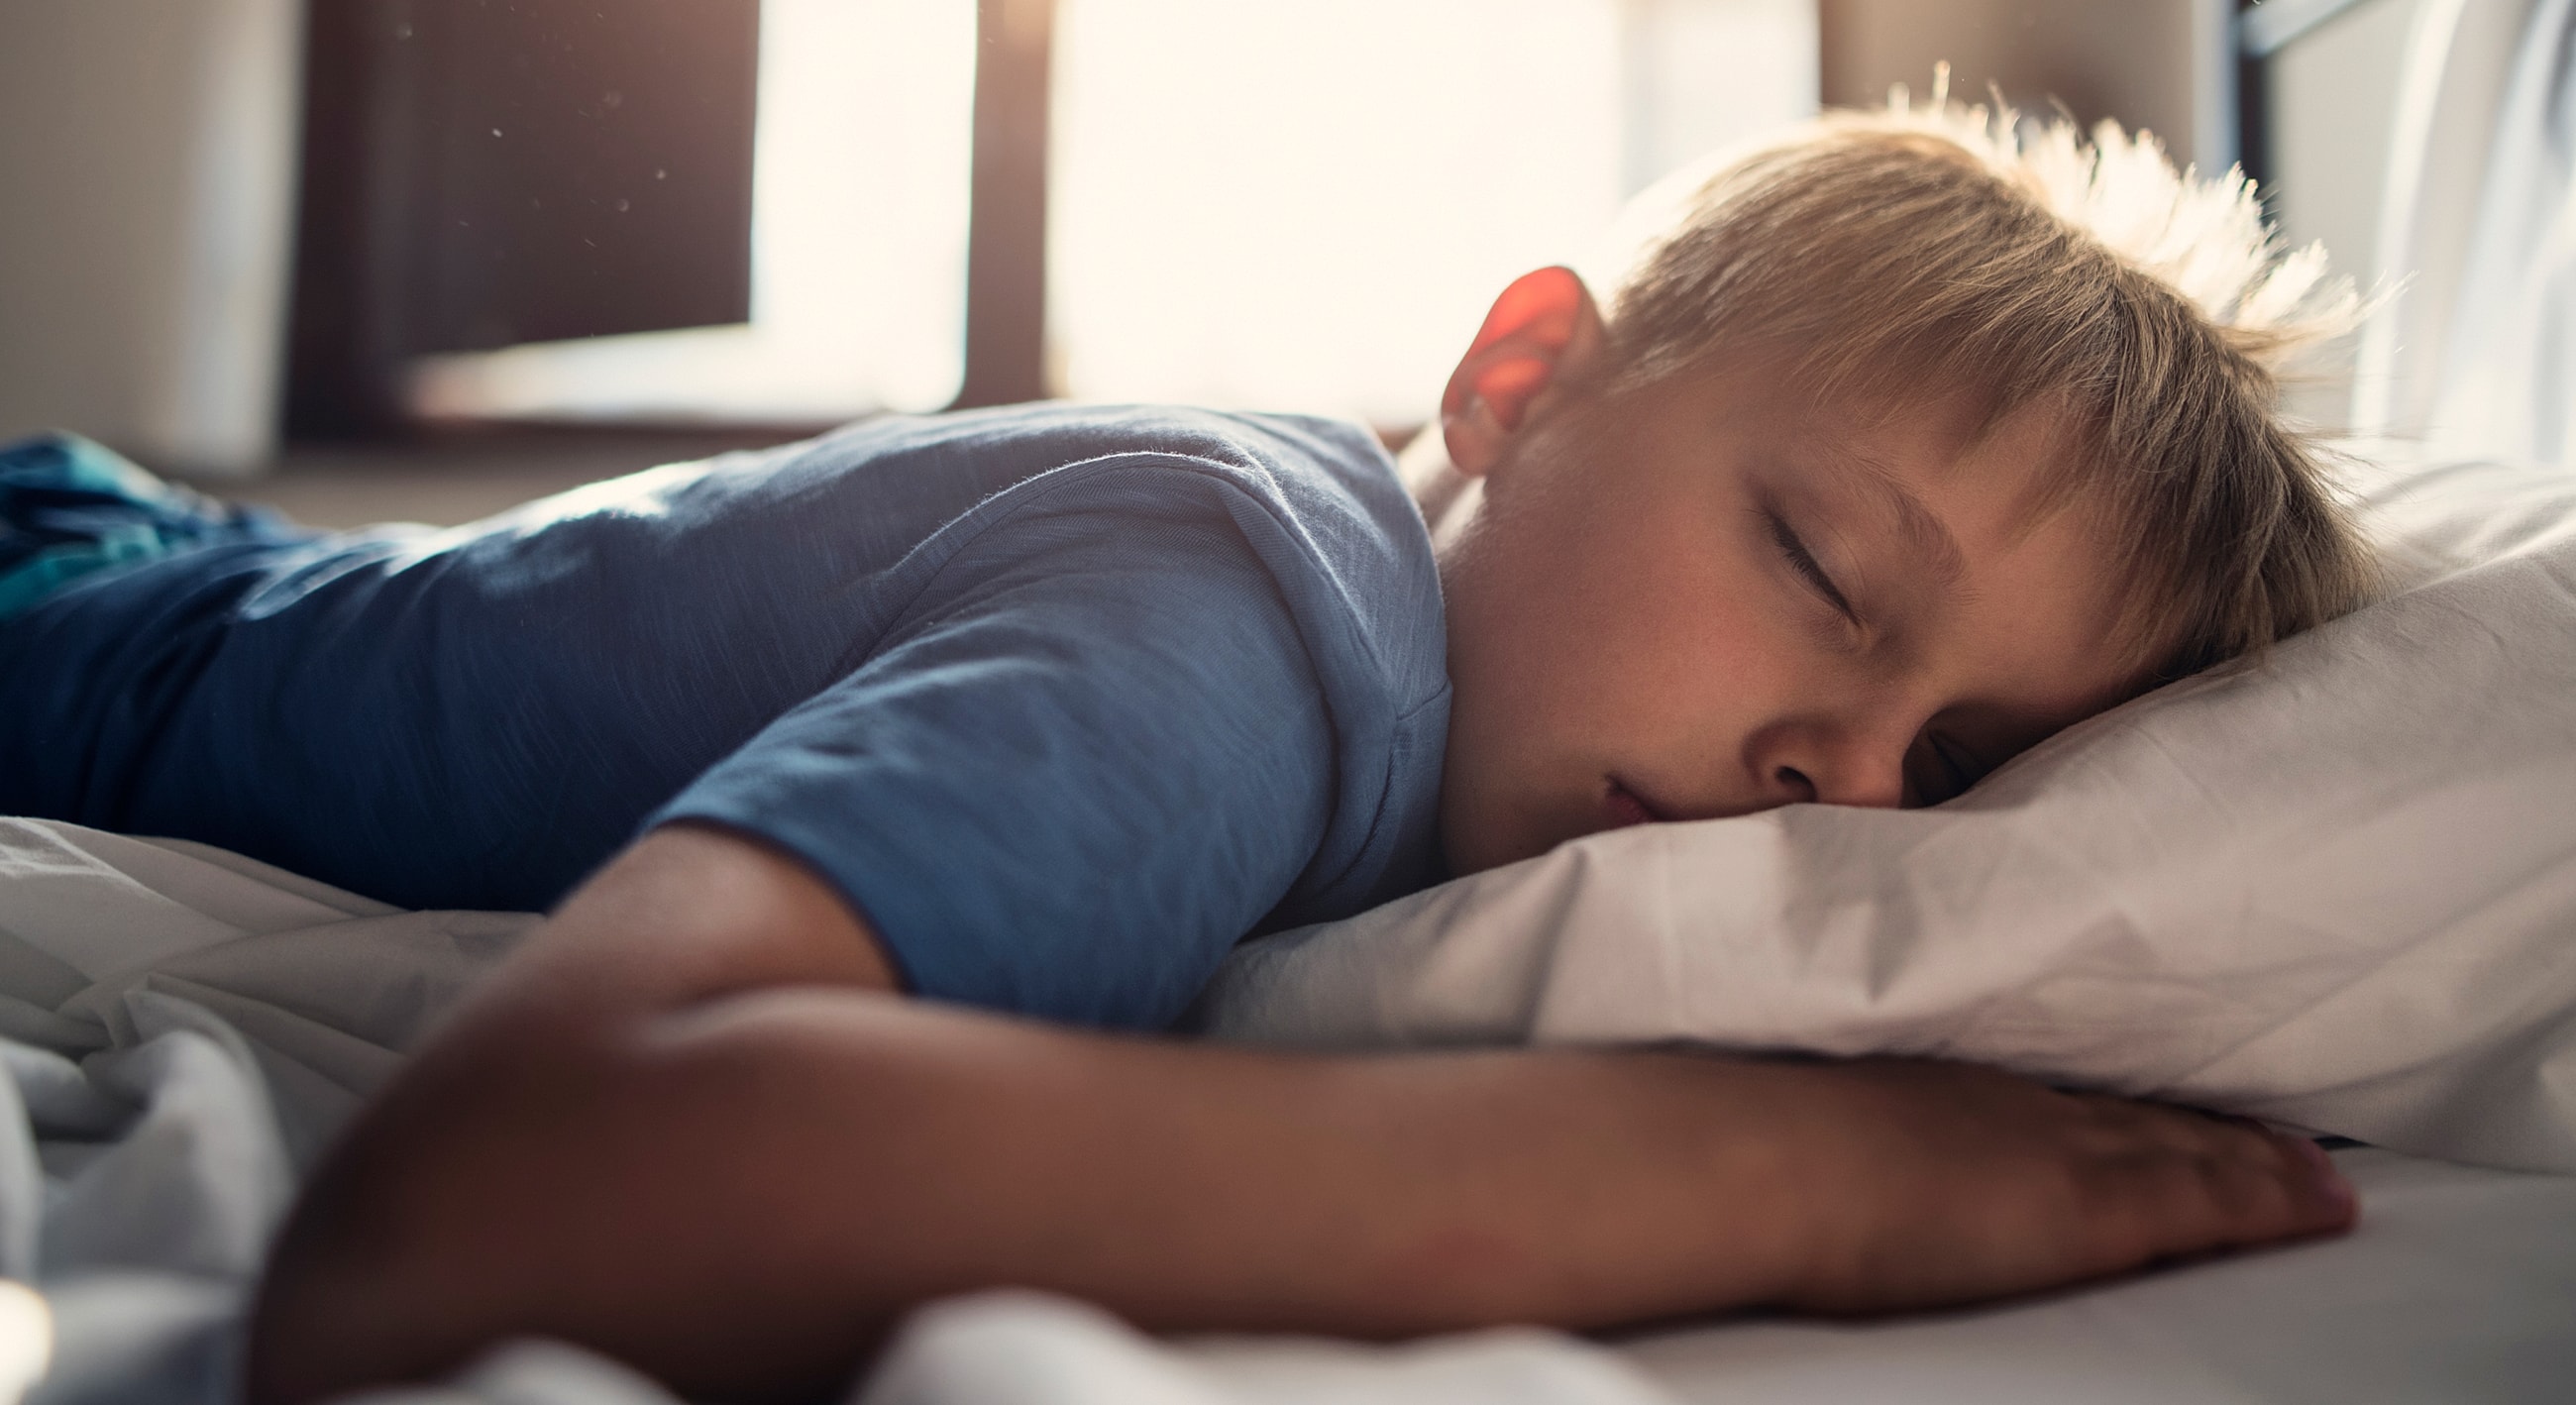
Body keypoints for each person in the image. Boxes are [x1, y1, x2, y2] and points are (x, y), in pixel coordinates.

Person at [0, 104, 2375, 1402]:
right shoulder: (1252, 624)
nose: (1837, 785)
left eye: (1956, 766)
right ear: (1522, 381)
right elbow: (471, 1218)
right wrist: (1777, 1176)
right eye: (1830, 577)